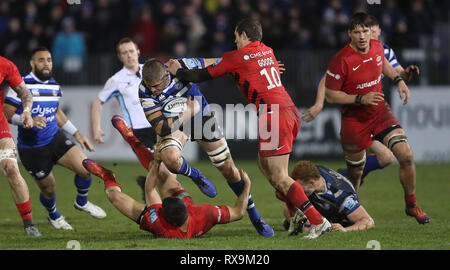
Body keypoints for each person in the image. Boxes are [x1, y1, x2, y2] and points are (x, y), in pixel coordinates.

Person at [167, 18, 331, 239]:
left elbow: (201, 76)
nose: (234, 41)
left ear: (244, 34)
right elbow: (254, 71)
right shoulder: (268, 51)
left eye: (236, 37)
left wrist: (178, 71)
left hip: (275, 115)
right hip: (285, 110)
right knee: (266, 167)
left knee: (280, 177)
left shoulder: (237, 57)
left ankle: (318, 221)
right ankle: (298, 216)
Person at [139, 57, 274, 237]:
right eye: (150, 87)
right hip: (174, 124)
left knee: (230, 171)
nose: (153, 90)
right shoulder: (143, 90)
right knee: (170, 159)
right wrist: (187, 112)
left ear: (165, 75)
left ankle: (254, 216)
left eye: (156, 86)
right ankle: (196, 176)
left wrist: (254, 67)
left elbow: (218, 62)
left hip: (201, 119)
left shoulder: (180, 66)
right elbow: (160, 127)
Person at [323, 12, 429, 224]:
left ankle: (411, 204)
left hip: (380, 112)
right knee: (355, 175)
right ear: (349, 34)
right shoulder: (341, 60)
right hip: (354, 120)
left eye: (365, 31)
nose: (363, 36)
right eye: (357, 32)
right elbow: (330, 95)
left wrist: (399, 79)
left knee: (406, 155)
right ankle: (349, 213)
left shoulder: (378, 47)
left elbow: (384, 65)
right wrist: (360, 98)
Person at [302, 15, 420, 183]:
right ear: (352, 33)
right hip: (356, 115)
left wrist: (405, 76)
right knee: (378, 159)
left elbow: (397, 72)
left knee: (387, 157)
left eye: (369, 31)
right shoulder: (346, 57)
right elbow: (326, 81)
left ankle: (349, 176)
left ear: (378, 31)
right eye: (361, 31)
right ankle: (348, 177)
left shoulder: (383, 50)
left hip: (376, 110)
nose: (365, 35)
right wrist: (319, 104)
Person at [4, 47, 106, 230]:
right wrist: (29, 120)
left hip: (55, 139)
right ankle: (54, 215)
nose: (46, 63)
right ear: (32, 63)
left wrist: (77, 133)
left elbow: (57, 113)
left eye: (49, 60)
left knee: (85, 167)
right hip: (32, 147)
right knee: (49, 189)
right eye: (41, 60)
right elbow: (7, 114)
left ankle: (81, 202)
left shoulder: (53, 84)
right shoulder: (20, 85)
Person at [81, 152, 251, 239]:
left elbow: (149, 190)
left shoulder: (157, 221)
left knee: (114, 197)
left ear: (161, 210)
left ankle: (108, 176)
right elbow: (239, 212)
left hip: (152, 219)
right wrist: (247, 185)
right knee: (166, 175)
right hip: (182, 211)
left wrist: (155, 164)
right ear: (185, 206)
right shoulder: (207, 214)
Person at [91, 37, 155, 172]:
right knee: (157, 169)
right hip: (138, 133)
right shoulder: (116, 80)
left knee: (169, 169)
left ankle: (146, 187)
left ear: (138, 51)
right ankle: (148, 189)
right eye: (125, 53)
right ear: (120, 57)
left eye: (131, 51)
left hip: (159, 125)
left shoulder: (151, 70)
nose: (129, 55)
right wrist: (96, 128)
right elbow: (97, 102)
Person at [0, 55, 40, 236]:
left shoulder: (5, 65)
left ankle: (29, 224)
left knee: (11, 168)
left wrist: (26, 111)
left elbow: (25, 93)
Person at [281, 160, 374, 235]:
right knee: (292, 209)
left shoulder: (342, 196)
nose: (297, 190)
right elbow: (287, 203)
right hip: (323, 209)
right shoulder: (313, 172)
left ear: (311, 183)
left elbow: (368, 221)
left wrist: (345, 230)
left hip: (340, 218)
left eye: (299, 187)